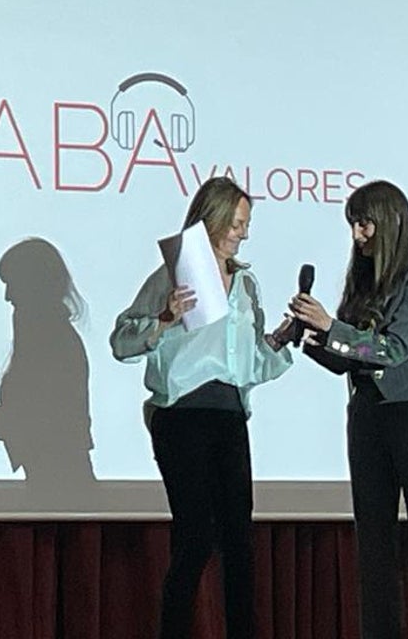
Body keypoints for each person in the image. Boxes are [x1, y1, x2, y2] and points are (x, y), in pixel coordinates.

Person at [289, 180, 408, 639]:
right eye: (354, 224)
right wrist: (306, 337)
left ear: (392, 222)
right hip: (368, 418)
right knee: (373, 546)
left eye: (365, 223)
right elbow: (347, 361)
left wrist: (331, 326)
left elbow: (392, 350)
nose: (358, 235)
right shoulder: (362, 283)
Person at [110, 176, 293, 639]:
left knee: (239, 543)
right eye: (236, 223)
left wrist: (282, 341)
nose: (243, 233)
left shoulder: (246, 283)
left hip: (230, 416)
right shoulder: (173, 275)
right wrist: (165, 318)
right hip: (182, 418)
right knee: (194, 539)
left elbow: (250, 360)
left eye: (247, 224)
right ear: (210, 219)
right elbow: (122, 342)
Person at [0, 237, 94, 499]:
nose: (8, 297)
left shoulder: (55, 344)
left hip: (58, 484)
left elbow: (32, 421)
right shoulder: (58, 340)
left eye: (13, 284)